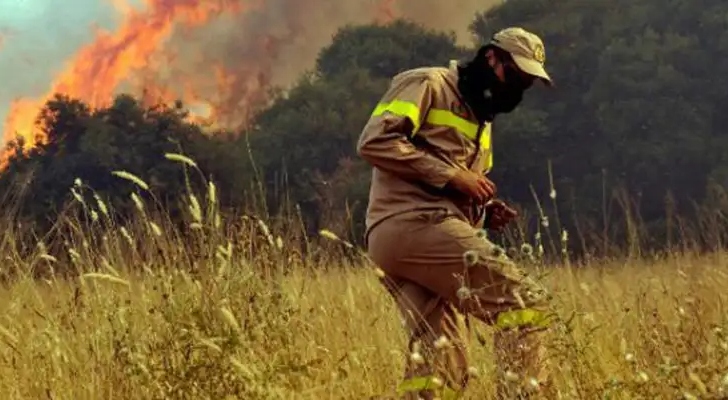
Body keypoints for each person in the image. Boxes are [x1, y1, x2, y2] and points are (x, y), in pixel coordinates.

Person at [356, 27, 555, 399]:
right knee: (525, 302)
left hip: (414, 238)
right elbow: (374, 141)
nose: (517, 89)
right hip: (413, 224)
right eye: (514, 75)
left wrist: (483, 206)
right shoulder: (428, 83)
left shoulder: (483, 122)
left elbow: (459, 184)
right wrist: (453, 176)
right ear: (491, 58)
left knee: (442, 364)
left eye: (526, 84)